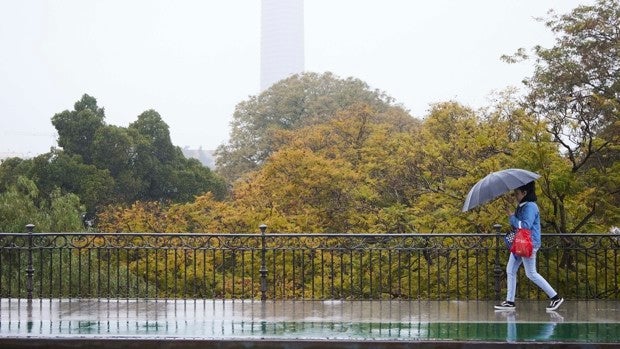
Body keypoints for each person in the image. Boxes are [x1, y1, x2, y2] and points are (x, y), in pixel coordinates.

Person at [494, 181, 564, 311]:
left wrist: (511, 216)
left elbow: (525, 225)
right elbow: (520, 223)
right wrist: (512, 209)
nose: (515, 195)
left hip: (528, 244)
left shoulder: (530, 207)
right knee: (510, 270)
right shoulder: (523, 205)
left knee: (531, 273)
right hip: (521, 243)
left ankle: (555, 297)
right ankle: (510, 301)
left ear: (525, 193)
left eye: (517, 193)